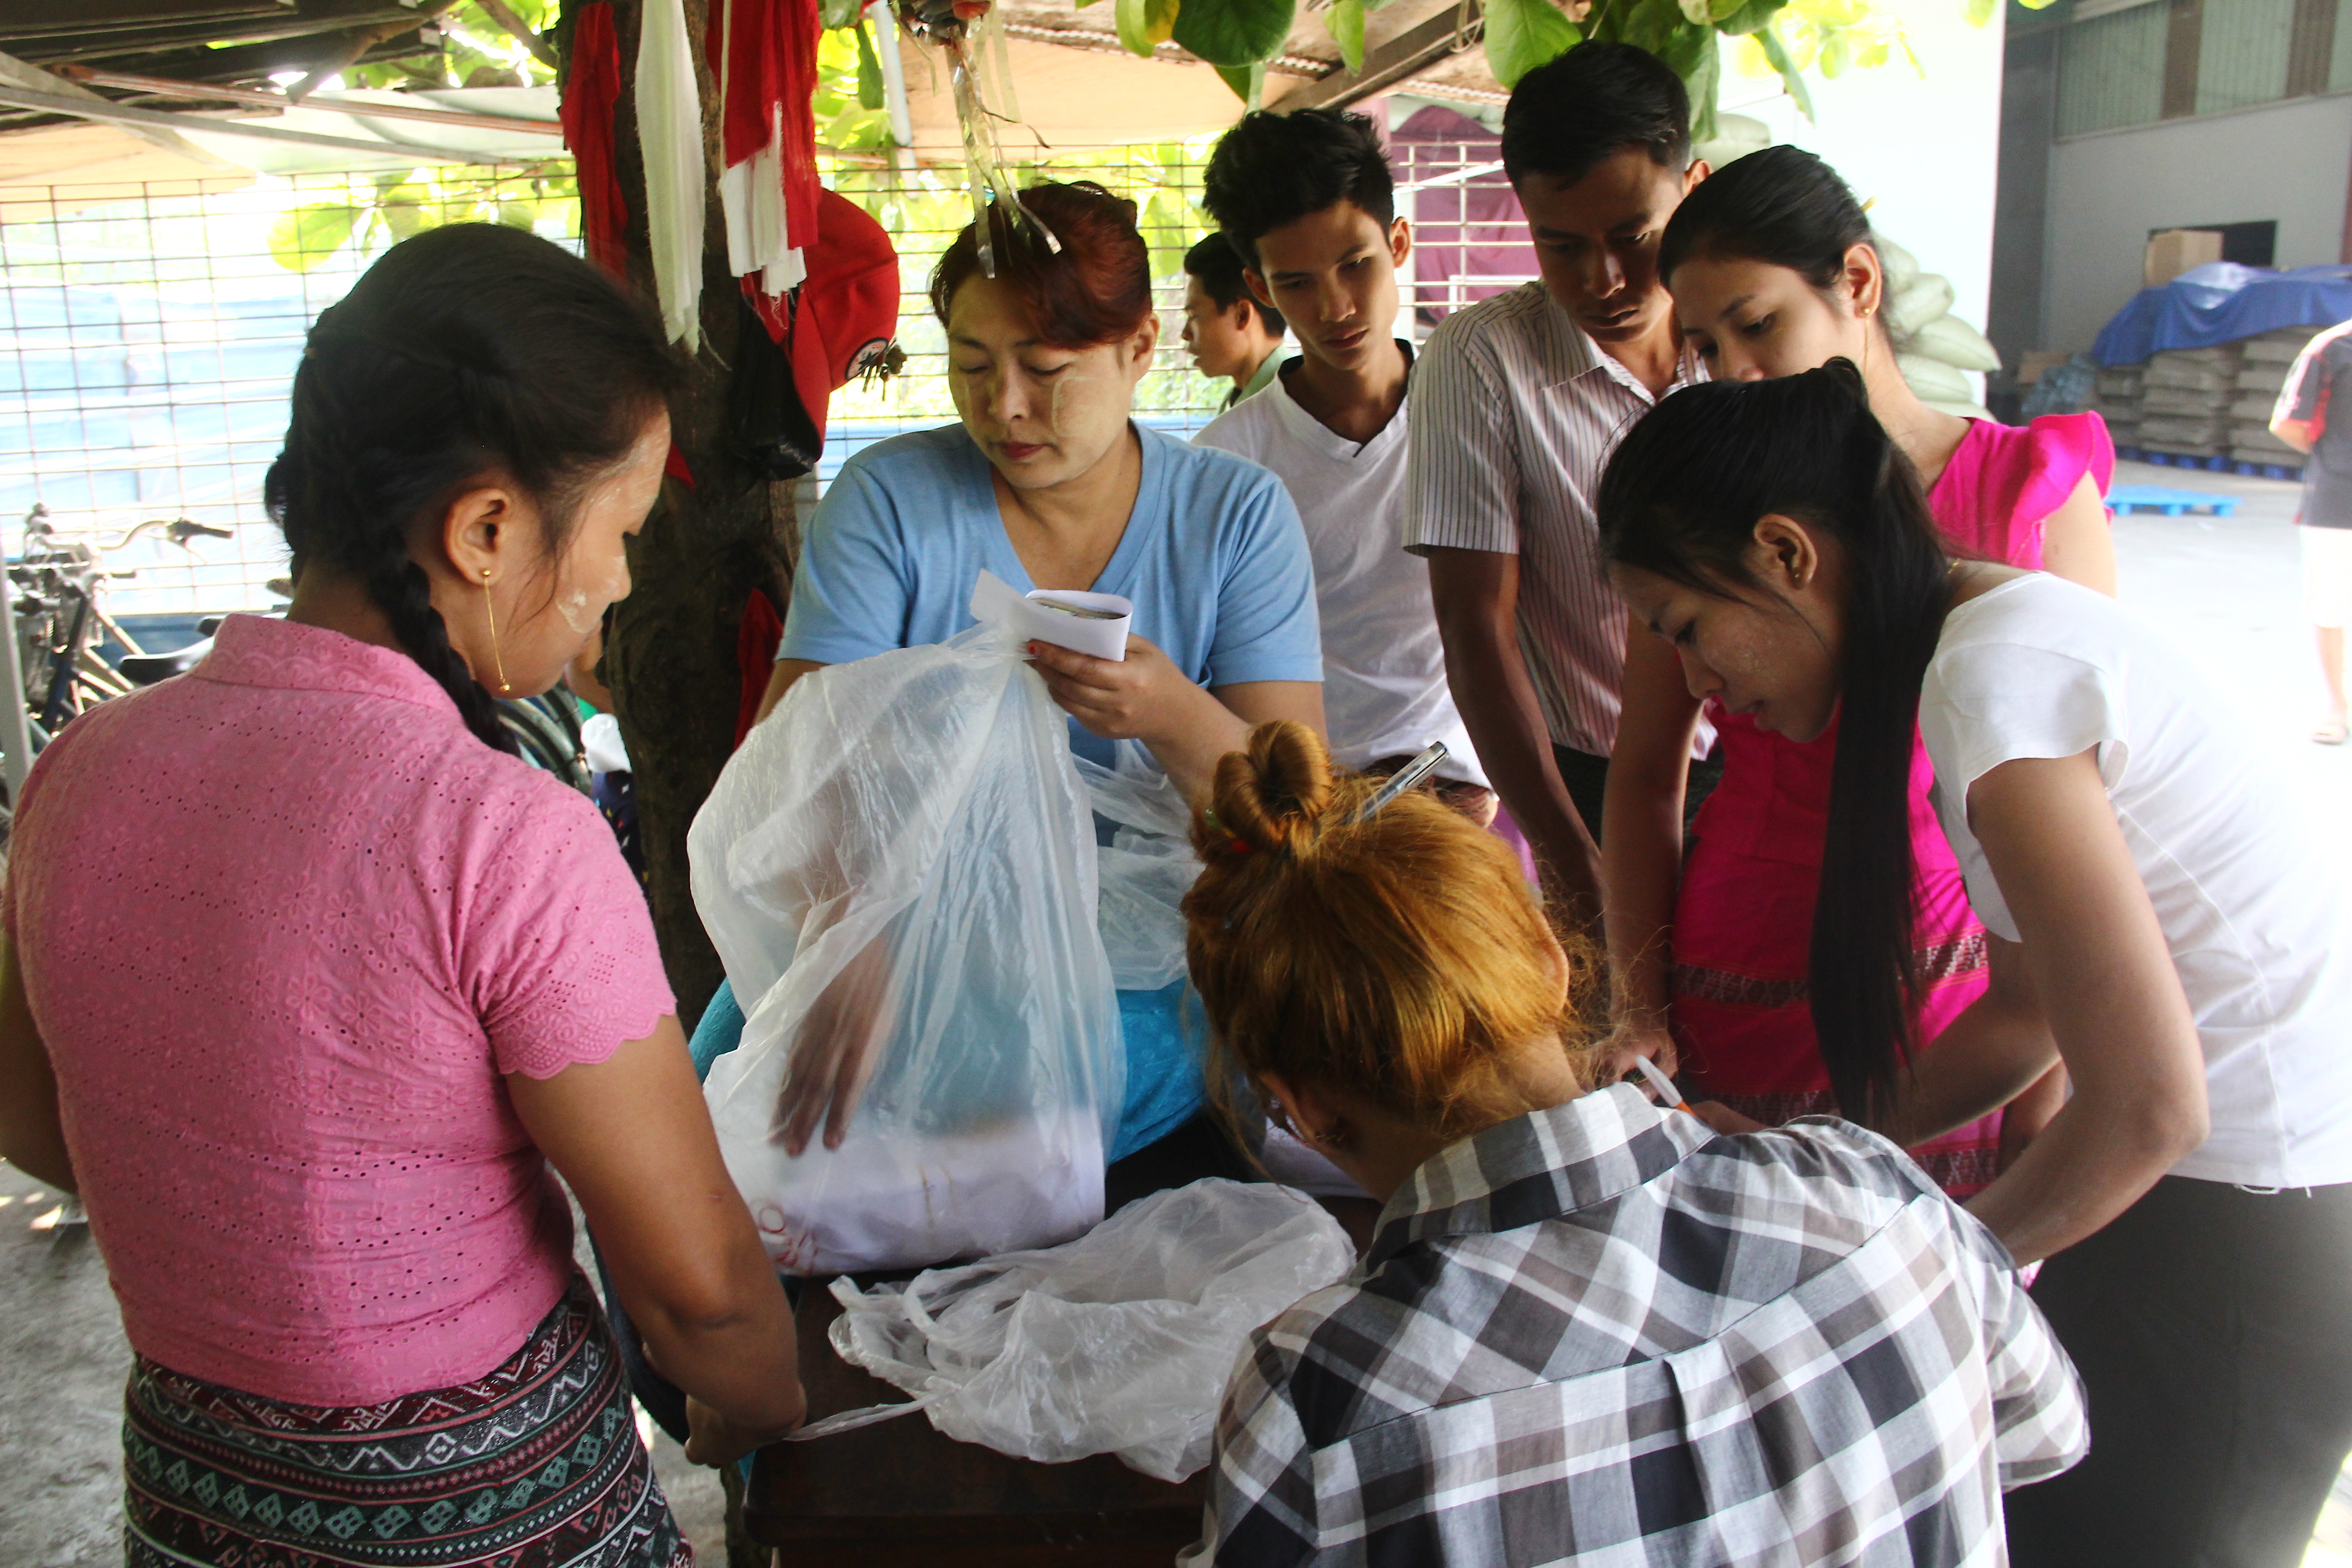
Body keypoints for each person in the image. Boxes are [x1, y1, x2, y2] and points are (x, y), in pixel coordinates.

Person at [0, 225, 804, 1566]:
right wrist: (763, 1406)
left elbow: (35, 1121)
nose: (617, 581)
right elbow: (698, 1285)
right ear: (489, 528)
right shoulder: (502, 838)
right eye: (620, 533)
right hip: (482, 1520)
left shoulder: (83, 769)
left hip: (193, 1499)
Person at [1600, 362, 2352, 1568]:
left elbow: (2152, 1108)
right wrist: (1825, 1156)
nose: (1694, 685)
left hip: (2257, 1227)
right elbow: (2024, 1017)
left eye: (1688, 629)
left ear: (1790, 554)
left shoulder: (1992, 678)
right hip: (2224, 1205)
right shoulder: (1980, 642)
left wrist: (1910, 1280)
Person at [1177, 720, 2086, 1566]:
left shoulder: (1325, 1402)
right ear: (1549, 954)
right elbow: (2043, 1429)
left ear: (1301, 1107)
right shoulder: (1872, 1196)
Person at [739, 179, 1325, 1181]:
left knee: (1058, 1113)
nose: (1001, 406)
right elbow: (801, 759)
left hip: (1149, 949)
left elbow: (1297, 812)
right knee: (742, 1105)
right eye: (972, 365)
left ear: (1142, 346)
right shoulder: (893, 502)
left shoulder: (1235, 516)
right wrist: (853, 935)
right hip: (894, 921)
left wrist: (1172, 715)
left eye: (1045, 370)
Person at [1600, 146, 2114, 1196]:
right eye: (1701, 346)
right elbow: (1646, 769)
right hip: (1745, 949)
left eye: (1757, 323)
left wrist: (2046, 1072)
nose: (1735, 368)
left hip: (1953, 980)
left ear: (1858, 284)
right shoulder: (1698, 518)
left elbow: (2093, 819)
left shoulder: (2022, 498)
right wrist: (1638, 1002)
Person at [1405, 40, 1715, 924]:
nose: (1602, 280)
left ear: (1691, 188)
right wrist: (1565, 846)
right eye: (1562, 244)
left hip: (1780, 764)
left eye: (1633, 238)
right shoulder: (1481, 360)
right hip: (1593, 775)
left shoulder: (1745, 336)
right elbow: (1476, 628)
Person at [1194, 107, 1490, 818]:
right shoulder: (1228, 467)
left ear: (1399, 243)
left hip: (1472, 788)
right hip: (1311, 810)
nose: (1335, 307)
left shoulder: (1480, 417)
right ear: (1259, 290)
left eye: (1355, 265)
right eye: (1296, 283)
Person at [2267, 318, 2352, 744]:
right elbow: (2286, 422)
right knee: (2331, 606)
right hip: (2338, 497)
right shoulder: (2332, 348)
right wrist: (2333, 462)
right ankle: (2337, 707)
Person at [1182, 232, 1288, 410]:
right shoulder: (1239, 401)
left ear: (1242, 316)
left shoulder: (1291, 403)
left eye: (1194, 316)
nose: (1185, 334)